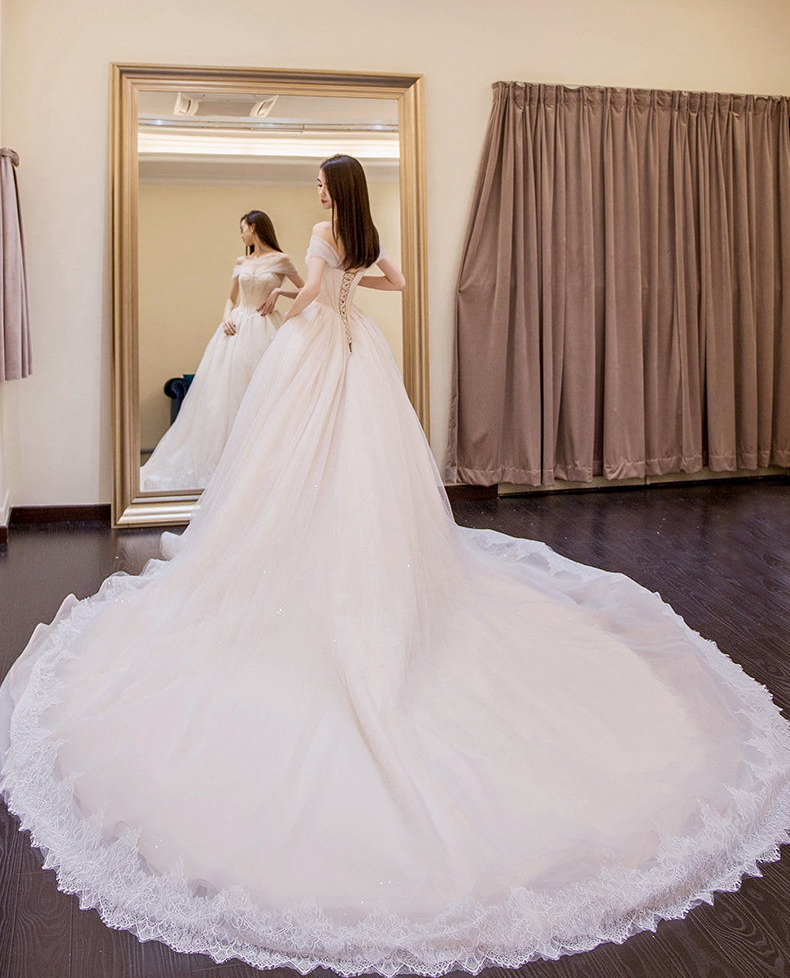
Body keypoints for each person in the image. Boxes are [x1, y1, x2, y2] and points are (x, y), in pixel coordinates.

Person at [2, 154, 790, 977]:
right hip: (361, 355)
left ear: (331, 192)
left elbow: (311, 293)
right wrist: (352, 286)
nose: (314, 193)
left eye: (320, 183)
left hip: (318, 353)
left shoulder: (321, 232)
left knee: (293, 465)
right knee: (366, 474)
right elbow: (397, 283)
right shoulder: (365, 231)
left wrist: (285, 306)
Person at [139, 210, 303, 491]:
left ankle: (261, 466)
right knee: (225, 396)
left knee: (263, 393)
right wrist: (226, 316)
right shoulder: (241, 261)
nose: (241, 235)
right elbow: (230, 298)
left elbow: (307, 289)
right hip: (236, 329)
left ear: (254, 227)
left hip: (266, 328)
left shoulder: (281, 260)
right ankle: (228, 464)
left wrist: (279, 292)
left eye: (243, 229)